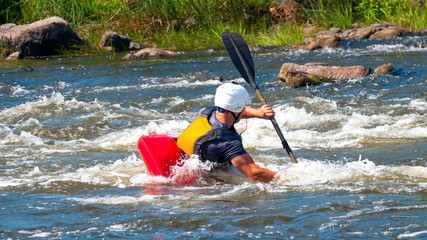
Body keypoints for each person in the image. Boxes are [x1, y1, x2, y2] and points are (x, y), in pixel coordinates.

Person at [177, 82, 277, 183]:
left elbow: (235, 110)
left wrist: (259, 113)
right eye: (242, 108)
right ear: (237, 109)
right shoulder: (227, 141)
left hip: (184, 160)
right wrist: (286, 178)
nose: (244, 110)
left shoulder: (207, 111)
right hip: (203, 178)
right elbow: (254, 173)